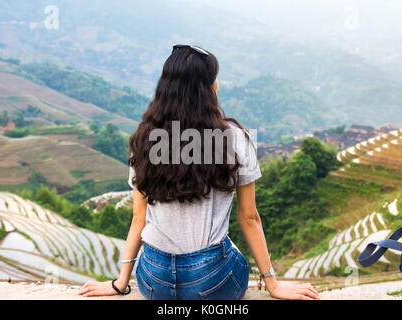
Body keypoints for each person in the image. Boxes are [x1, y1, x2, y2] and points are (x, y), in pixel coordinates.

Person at [78, 45, 320, 300]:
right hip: (211, 281)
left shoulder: (145, 139)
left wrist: (120, 282)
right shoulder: (234, 138)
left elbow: (139, 219)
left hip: (154, 280)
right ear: (209, 87)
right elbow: (249, 218)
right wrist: (273, 285)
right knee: (231, 251)